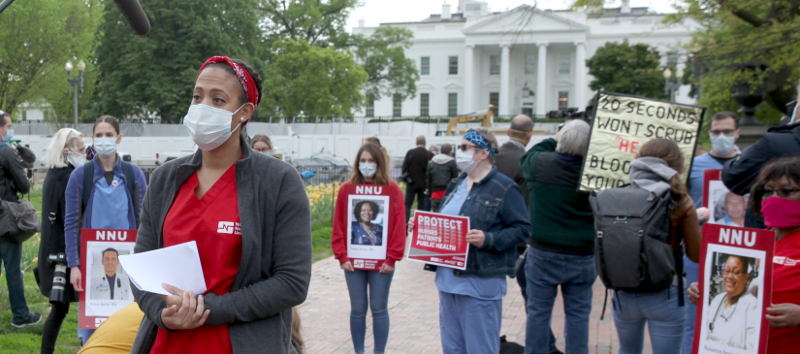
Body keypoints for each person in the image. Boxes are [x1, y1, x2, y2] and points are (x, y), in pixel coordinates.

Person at [132, 56, 311, 353]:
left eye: (218, 100)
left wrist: (208, 309)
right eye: (197, 96)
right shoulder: (166, 179)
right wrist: (162, 313)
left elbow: (291, 282)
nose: (203, 108)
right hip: (168, 343)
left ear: (244, 112)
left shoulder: (278, 182)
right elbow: (142, 266)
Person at [417, 128, 530, 354]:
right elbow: (446, 222)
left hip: (479, 284)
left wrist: (488, 239)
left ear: (482, 152)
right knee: (453, 348)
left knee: (480, 349)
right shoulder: (457, 183)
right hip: (448, 281)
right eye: (460, 148)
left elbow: (522, 229)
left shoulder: (504, 187)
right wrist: (422, 227)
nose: (460, 153)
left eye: (464, 148)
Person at [689, 156, 800, 351]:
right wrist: (706, 292)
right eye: (767, 191)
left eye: (786, 191)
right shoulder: (751, 245)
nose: (774, 198)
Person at [611, 138, 700, 354]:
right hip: (666, 290)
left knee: (627, 350)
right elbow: (695, 254)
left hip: (624, 289)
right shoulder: (680, 200)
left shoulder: (619, 194)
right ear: (676, 165)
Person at [64, 115, 148, 344]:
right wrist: (74, 265)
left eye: (109, 134)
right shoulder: (80, 176)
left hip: (129, 262)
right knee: (93, 325)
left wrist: (143, 263)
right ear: (92, 139)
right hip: (91, 263)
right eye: (99, 135)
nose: (104, 139)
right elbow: (71, 223)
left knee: (127, 325)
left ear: (119, 138)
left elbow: (145, 222)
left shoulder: (134, 175)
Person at [520, 119, 593, 354]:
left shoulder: (540, 163)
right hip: (582, 252)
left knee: (538, 312)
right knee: (579, 315)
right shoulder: (594, 172)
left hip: (544, 251)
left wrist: (556, 136)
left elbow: (530, 154)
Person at [331, 142, 406, 354]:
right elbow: (338, 224)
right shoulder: (347, 189)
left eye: (371, 161)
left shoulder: (392, 190)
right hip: (353, 261)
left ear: (379, 163)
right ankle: (359, 351)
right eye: (363, 161)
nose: (367, 165)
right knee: (357, 309)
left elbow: (399, 226)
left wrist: (392, 258)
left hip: (382, 262)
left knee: (379, 308)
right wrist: (341, 255)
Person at [682, 111, 741, 354]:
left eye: (727, 131)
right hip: (699, 248)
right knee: (693, 315)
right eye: (716, 132)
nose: (722, 136)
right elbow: (679, 204)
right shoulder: (693, 166)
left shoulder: (750, 164)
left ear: (738, 133)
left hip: (740, 247)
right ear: (709, 133)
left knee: (735, 313)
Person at [37, 128, 85, 353]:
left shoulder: (53, 174)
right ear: (68, 150)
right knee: (60, 309)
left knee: (60, 308)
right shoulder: (67, 177)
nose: (85, 153)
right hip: (62, 254)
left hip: (52, 251)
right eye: (81, 149)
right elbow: (70, 217)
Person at [0, 110, 40, 328]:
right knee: (13, 269)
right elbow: (24, 185)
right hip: (5, 219)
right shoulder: (6, 152)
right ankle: (21, 316)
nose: (10, 130)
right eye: (8, 126)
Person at [705, 255, 758, 349]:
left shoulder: (753, 306)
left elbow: (752, 347)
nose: (729, 276)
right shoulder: (717, 300)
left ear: (746, 277)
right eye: (726, 271)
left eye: (736, 272)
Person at [402, 135, 430, 218]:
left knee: (407, 204)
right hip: (423, 183)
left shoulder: (410, 152)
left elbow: (404, 167)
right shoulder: (428, 154)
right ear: (425, 142)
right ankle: (419, 222)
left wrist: (407, 178)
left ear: (416, 142)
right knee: (421, 205)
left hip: (411, 183)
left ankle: (406, 221)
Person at [426, 143, 458, 212]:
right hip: (448, 193)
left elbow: (428, 179)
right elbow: (455, 178)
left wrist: (429, 192)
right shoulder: (452, 162)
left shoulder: (432, 162)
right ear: (450, 151)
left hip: (435, 193)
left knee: (436, 213)